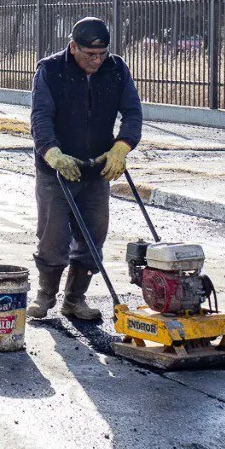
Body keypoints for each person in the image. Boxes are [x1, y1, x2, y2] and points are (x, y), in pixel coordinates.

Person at [28, 16, 142, 322]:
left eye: (102, 53)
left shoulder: (116, 69)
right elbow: (40, 117)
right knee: (53, 238)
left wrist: (122, 147)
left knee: (94, 235)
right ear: (73, 46)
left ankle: (75, 300)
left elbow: (132, 112)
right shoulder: (50, 69)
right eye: (90, 55)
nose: (97, 60)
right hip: (57, 169)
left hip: (96, 169)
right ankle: (45, 296)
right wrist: (53, 153)